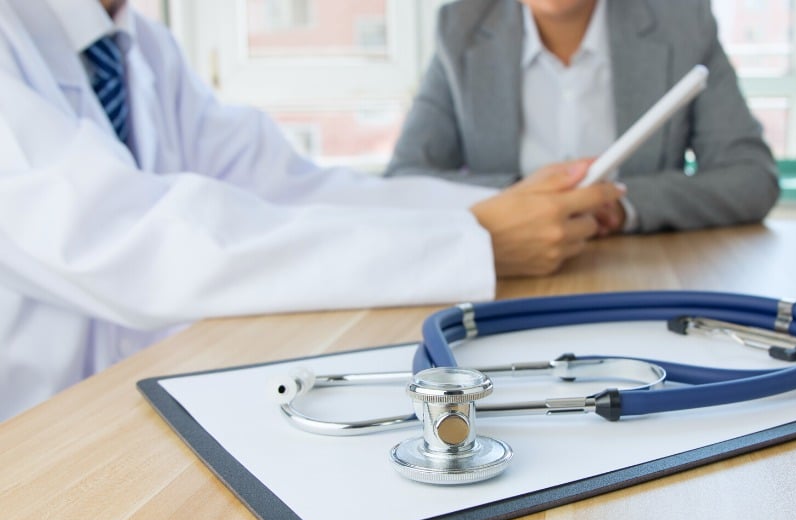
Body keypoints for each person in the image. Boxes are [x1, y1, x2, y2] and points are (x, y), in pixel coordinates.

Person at [0, 0, 621, 421]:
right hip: (32, 441)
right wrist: (472, 241)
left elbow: (295, 189)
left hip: (132, 406)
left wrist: (492, 213)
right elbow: (138, 244)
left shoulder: (144, 47)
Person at [385, 0, 780, 234]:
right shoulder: (461, 28)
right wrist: (525, 201)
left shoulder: (683, 23)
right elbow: (406, 180)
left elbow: (751, 177)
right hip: (507, 280)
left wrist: (621, 205)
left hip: (648, 275)